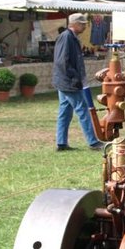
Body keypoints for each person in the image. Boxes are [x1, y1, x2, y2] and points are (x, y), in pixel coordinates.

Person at [53, 13, 102, 151]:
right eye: (82, 24)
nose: (85, 26)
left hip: (65, 80)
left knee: (65, 112)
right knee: (83, 110)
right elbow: (63, 61)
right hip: (68, 81)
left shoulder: (70, 37)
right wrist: (75, 78)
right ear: (74, 24)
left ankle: (61, 143)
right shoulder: (67, 37)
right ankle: (93, 142)